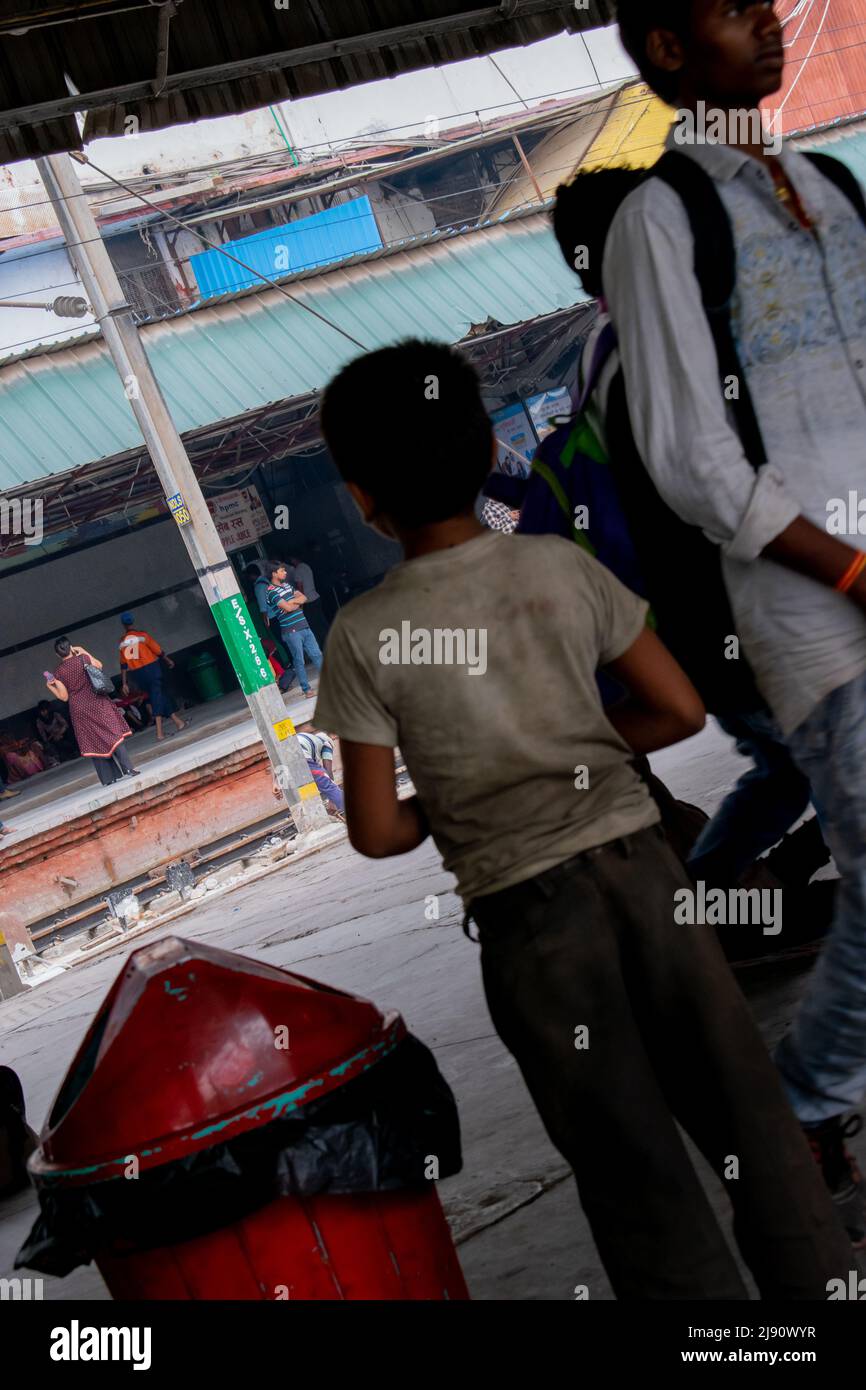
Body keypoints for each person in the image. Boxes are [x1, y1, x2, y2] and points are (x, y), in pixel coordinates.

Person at [312, 337, 856, 1299]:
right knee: (750, 1126)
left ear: (359, 495)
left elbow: (378, 832)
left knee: (630, 1168)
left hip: (531, 932)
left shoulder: (363, 637)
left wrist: (470, 794)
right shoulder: (560, 568)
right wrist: (578, 752)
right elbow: (679, 711)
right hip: (652, 885)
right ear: (489, 453)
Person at [608, 0, 866, 1245]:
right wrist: (852, 570)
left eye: (769, 10)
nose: (766, 30)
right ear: (663, 48)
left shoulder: (825, 182)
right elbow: (690, 461)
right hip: (809, 608)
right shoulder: (661, 220)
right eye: (730, 13)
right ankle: (798, 1099)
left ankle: (806, 1098)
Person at [47, 637, 140, 786]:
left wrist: (50, 686)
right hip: (97, 701)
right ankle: (128, 768)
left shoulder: (58, 672)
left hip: (79, 708)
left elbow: (64, 697)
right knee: (112, 732)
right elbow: (99, 666)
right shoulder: (83, 658)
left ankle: (108, 778)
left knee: (93, 739)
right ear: (71, 647)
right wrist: (83, 650)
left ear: (58, 655)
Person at [118, 614, 186, 741]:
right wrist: (168, 660)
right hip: (151, 669)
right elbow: (158, 651)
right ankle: (159, 733)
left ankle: (178, 722)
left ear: (123, 625)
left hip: (138, 674)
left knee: (159, 695)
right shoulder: (143, 636)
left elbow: (123, 664)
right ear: (133, 621)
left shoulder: (122, 642)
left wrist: (124, 683)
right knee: (156, 698)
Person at [263, 560, 322, 699]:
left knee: (317, 654)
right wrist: (295, 602)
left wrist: (292, 602)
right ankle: (306, 689)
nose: (285, 572)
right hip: (291, 631)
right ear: (274, 573)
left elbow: (304, 597)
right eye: (282, 571)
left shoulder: (286, 585)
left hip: (304, 625)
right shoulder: (270, 592)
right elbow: (288, 608)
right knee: (299, 660)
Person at [288, 555, 328, 644]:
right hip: (315, 596)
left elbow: (300, 588)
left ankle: (323, 644)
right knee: (322, 621)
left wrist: (300, 605)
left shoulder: (298, 570)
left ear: (293, 559)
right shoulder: (306, 566)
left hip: (308, 601)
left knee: (314, 626)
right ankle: (330, 640)